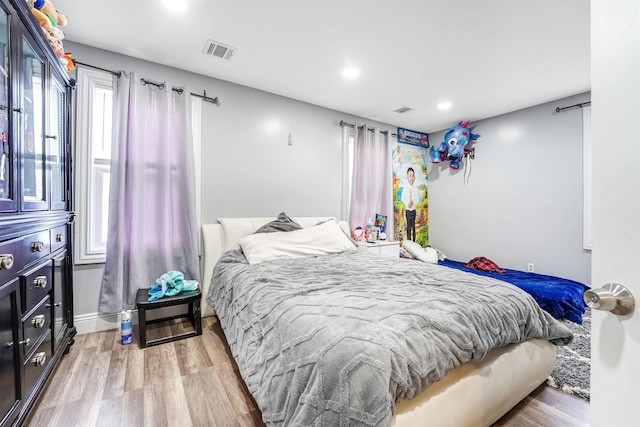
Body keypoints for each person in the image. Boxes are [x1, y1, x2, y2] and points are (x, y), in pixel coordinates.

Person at [401, 167, 420, 241]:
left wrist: (413, 202)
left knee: (413, 227)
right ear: (407, 177)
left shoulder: (415, 188)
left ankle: (414, 240)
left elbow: (417, 198)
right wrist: (407, 203)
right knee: (409, 226)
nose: (411, 178)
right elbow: (403, 198)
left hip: (413, 210)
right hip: (408, 210)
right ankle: (408, 241)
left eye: (413, 176)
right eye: (410, 176)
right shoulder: (405, 188)